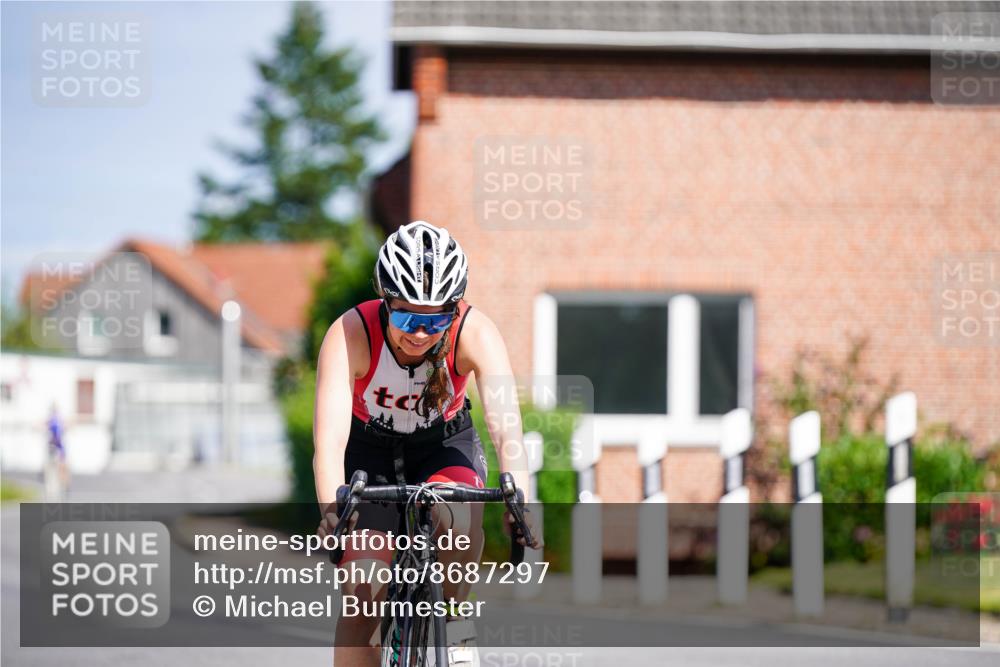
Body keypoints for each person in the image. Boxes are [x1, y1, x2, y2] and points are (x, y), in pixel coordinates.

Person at [313, 221, 539, 666]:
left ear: (454, 311)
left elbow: (507, 430)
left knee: (455, 514)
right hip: (369, 454)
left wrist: (521, 501)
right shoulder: (349, 334)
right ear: (385, 302)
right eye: (406, 316)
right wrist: (331, 511)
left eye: (435, 318)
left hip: (443, 445)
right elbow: (330, 441)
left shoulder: (476, 333)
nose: (419, 332)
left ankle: (453, 621)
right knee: (363, 594)